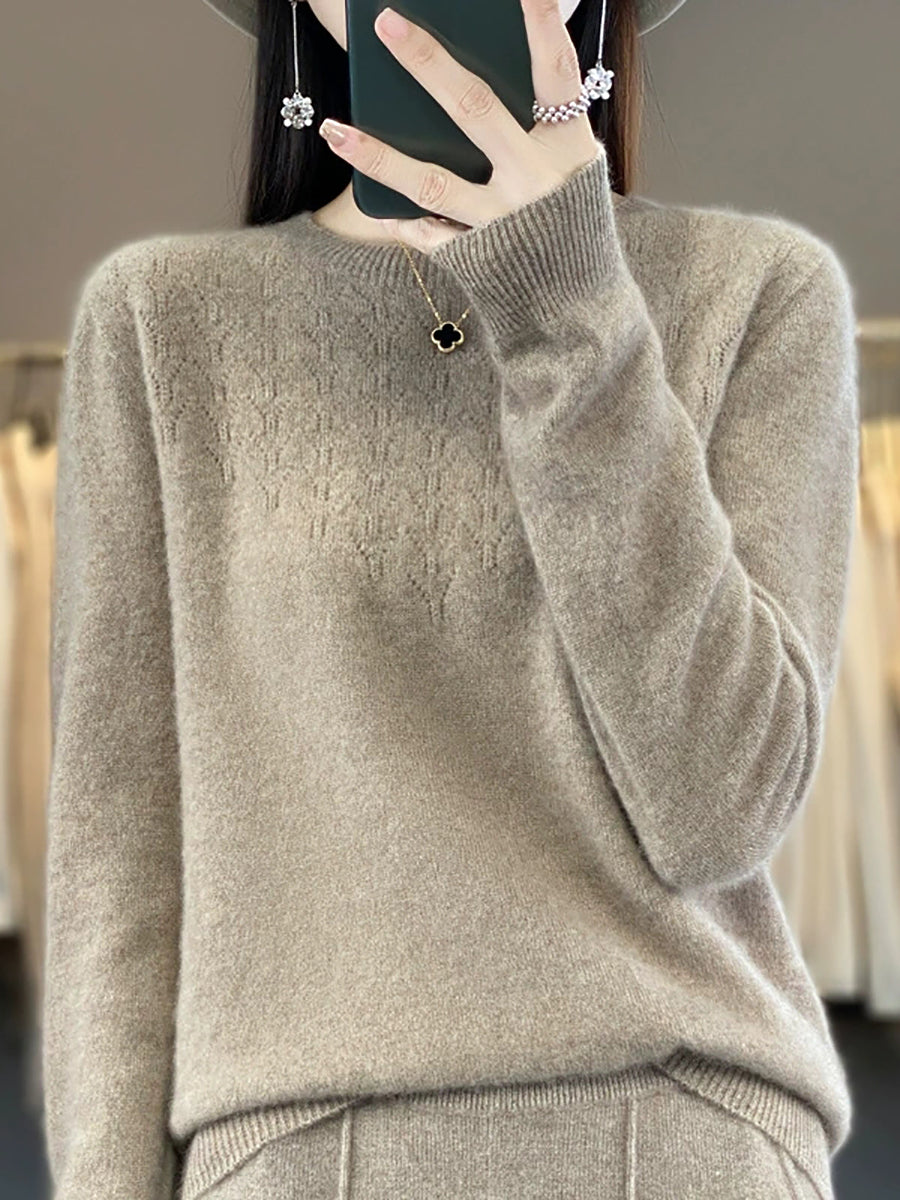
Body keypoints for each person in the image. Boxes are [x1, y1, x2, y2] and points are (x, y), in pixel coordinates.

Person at [41, 0, 859, 1197]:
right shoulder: (163, 321)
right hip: (296, 1155)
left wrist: (568, 301)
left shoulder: (759, 293)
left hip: (686, 1139)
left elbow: (721, 811)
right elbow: (118, 862)